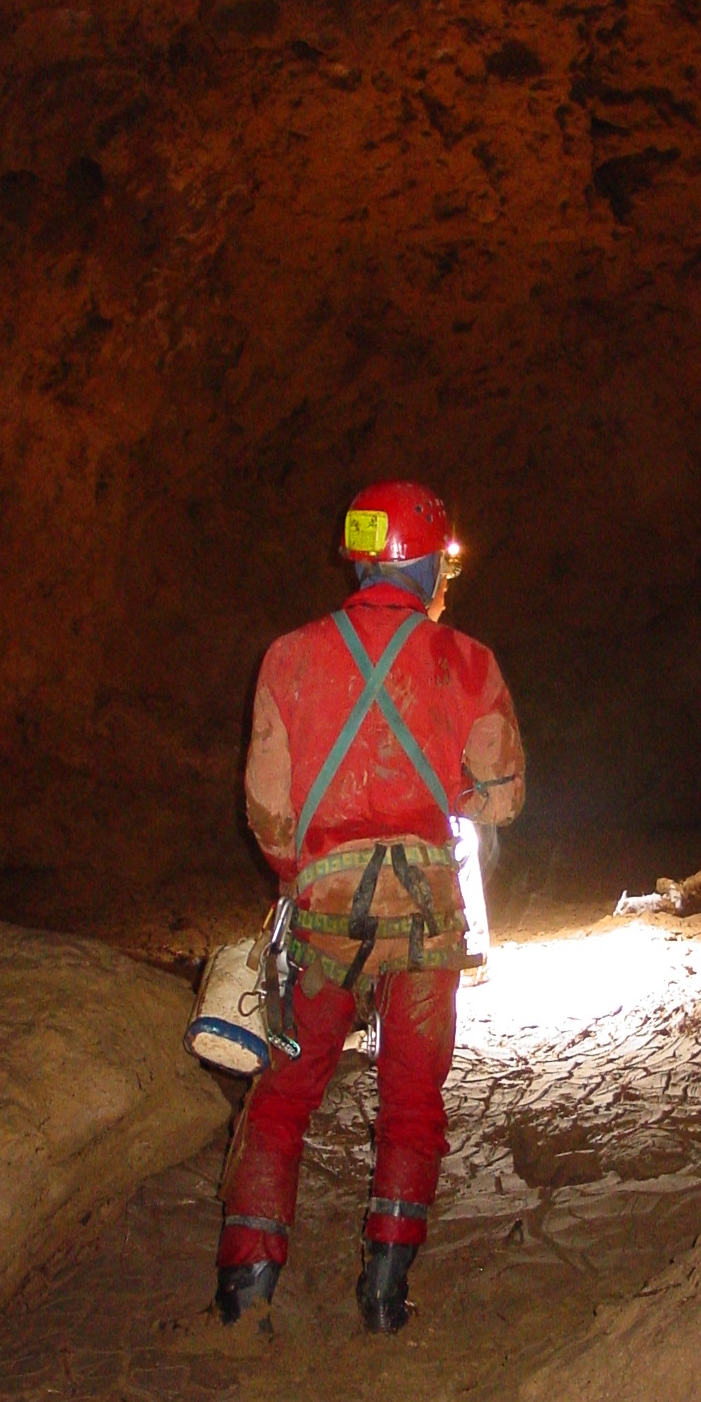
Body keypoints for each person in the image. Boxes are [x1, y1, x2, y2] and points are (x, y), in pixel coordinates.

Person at [215, 481, 525, 1333]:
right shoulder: (468, 661)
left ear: (358, 559)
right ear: (427, 565)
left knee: (284, 1095)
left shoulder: (288, 656)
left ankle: (246, 1292)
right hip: (427, 917)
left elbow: (269, 813)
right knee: (412, 1098)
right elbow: (500, 801)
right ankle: (384, 1296)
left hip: (325, 914)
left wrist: (306, 873)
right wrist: (440, 792)